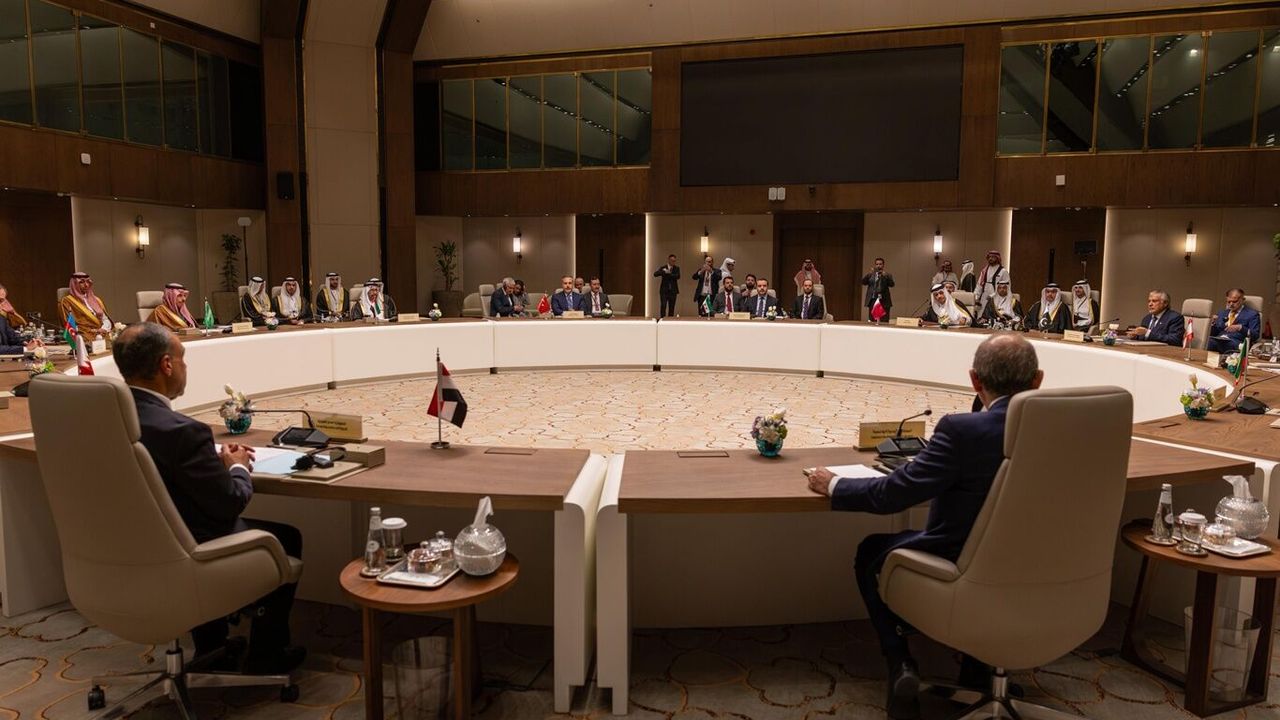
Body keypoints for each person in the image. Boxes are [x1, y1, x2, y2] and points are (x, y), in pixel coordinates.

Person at [806, 334, 1043, 720]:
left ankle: (900, 662)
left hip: (962, 564)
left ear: (974, 380)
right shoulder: (1068, 428)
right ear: (1038, 379)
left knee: (871, 552)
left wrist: (834, 485)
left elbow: (892, 496)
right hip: (1042, 564)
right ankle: (977, 671)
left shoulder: (961, 431)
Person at [111, 323, 305, 673]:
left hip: (122, 552)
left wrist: (204, 463)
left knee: (191, 520)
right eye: (182, 359)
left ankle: (212, 648)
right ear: (166, 365)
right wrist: (237, 467)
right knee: (285, 538)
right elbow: (229, 503)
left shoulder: (105, 420)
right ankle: (267, 656)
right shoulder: (183, 432)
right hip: (184, 557)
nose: (185, 367)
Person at [59, 272, 113, 340]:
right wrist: (95, 331)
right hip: (84, 337)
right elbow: (70, 326)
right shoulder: (67, 302)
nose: (86, 285)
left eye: (88, 282)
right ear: (74, 284)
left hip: (102, 334)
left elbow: (105, 319)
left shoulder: (96, 300)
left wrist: (103, 329)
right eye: (81, 282)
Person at [1207, 289, 1262, 353]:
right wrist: (1212, 324)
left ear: (1242, 300)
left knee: (1212, 343)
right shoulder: (1222, 313)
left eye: (1234, 301)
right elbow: (1214, 333)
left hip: (1236, 343)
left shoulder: (1252, 314)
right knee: (1207, 341)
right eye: (1229, 302)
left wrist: (1240, 328)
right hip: (1219, 340)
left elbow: (1255, 335)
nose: (1231, 304)